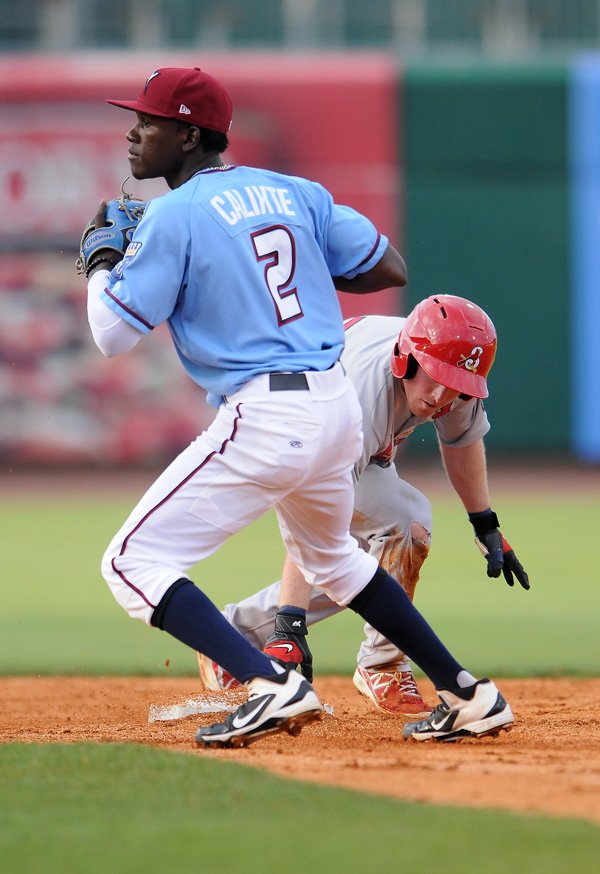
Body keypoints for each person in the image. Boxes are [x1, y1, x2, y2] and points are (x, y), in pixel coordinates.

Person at [82, 65, 514, 748]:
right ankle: (468, 693)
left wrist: (102, 260)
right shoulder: (295, 191)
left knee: (130, 562)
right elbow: (388, 267)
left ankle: (268, 683)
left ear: (189, 135)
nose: (135, 132)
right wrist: (292, 267)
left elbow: (111, 333)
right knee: (336, 561)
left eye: (150, 121)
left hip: (267, 412)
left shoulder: (175, 213)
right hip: (334, 403)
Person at [197, 298, 530, 718]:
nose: (443, 395)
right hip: (277, 430)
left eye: (458, 385)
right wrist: (290, 623)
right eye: (435, 378)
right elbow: (312, 512)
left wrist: (485, 523)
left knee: (375, 556)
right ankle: (381, 664)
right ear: (404, 358)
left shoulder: (451, 367)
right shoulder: (359, 397)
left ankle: (235, 636)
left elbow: (461, 443)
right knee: (403, 524)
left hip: (331, 440)